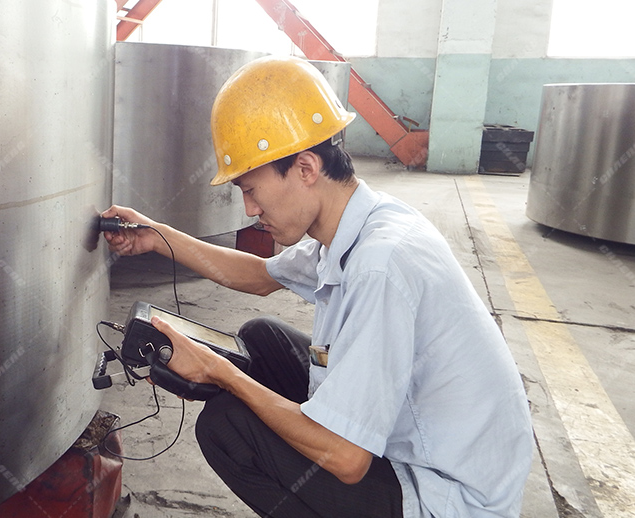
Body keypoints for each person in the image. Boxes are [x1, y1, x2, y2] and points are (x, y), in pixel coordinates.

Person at [102, 56, 533, 518]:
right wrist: (156, 236)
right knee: (262, 339)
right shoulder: (356, 223)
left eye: (251, 189)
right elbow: (257, 276)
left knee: (227, 427)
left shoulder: (380, 265)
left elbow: (348, 460)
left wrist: (221, 373)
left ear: (305, 168)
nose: (249, 209)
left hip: (445, 493)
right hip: (422, 441)